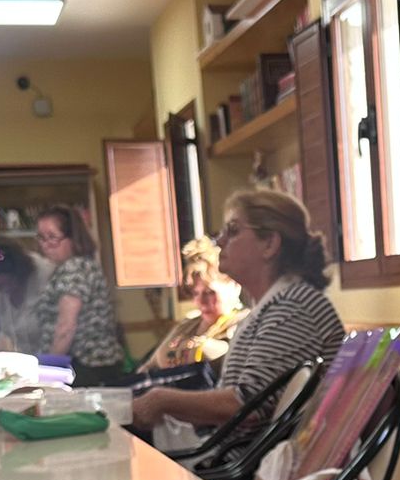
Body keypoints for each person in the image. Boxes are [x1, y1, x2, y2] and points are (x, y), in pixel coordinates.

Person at [130, 189, 344, 456]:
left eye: (232, 231)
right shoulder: (273, 306)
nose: (220, 240)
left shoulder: (293, 307)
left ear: (269, 244)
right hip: (237, 461)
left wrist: (162, 400)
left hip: (249, 473)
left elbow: (248, 406)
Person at [31, 205, 127, 385]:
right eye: (41, 238)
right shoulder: (79, 266)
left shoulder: (74, 269)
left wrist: (49, 372)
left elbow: (66, 327)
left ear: (72, 238)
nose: (45, 245)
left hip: (85, 366)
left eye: (52, 237)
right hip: (92, 365)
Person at [144, 237, 244, 371]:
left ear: (235, 285)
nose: (201, 301)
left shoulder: (245, 324)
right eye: (195, 293)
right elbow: (149, 366)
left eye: (209, 292)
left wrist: (200, 347)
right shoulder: (187, 324)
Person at [0, 237, 54, 354]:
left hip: (57, 355)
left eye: (5, 284)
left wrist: (52, 360)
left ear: (19, 273)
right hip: (27, 356)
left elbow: (62, 328)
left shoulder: (46, 275)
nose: (1, 290)